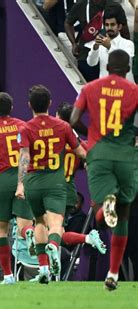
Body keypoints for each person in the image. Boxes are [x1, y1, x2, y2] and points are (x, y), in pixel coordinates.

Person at [70, 49, 137, 290]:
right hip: (125, 154)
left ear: (107, 66)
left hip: (99, 154)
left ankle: (107, 205)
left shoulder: (90, 89)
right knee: (124, 215)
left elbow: (74, 120)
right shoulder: (134, 91)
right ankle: (113, 273)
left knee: (101, 212)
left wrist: (92, 135)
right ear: (127, 68)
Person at [15, 85, 87, 284]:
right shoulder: (63, 127)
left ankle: (44, 269)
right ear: (50, 103)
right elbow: (81, 151)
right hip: (55, 183)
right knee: (55, 224)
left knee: (39, 222)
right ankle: (54, 247)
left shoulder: (26, 128)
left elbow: (25, 157)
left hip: (33, 182)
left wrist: (21, 184)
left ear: (29, 105)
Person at [0, 92, 35, 285]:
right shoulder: (23, 126)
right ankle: (29, 233)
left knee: (1, 231)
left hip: (1, 180)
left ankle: (7, 276)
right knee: (24, 225)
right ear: (11, 108)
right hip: (23, 178)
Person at [56, 102, 106, 254]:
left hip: (52, 190)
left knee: (48, 233)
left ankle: (86, 238)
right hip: (68, 192)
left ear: (58, 117)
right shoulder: (79, 144)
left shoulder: (53, 138)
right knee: (56, 233)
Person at [64, 0, 129, 81]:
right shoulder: (81, 5)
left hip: (109, 52)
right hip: (86, 54)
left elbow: (124, 29)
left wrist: (125, 49)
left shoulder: (115, 7)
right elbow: (68, 23)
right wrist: (74, 43)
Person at [86, 8, 135, 82]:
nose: (109, 28)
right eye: (107, 25)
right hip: (105, 89)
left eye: (112, 25)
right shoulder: (100, 43)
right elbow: (91, 63)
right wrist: (95, 48)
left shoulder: (128, 44)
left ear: (119, 27)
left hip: (125, 89)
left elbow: (123, 62)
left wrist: (109, 47)